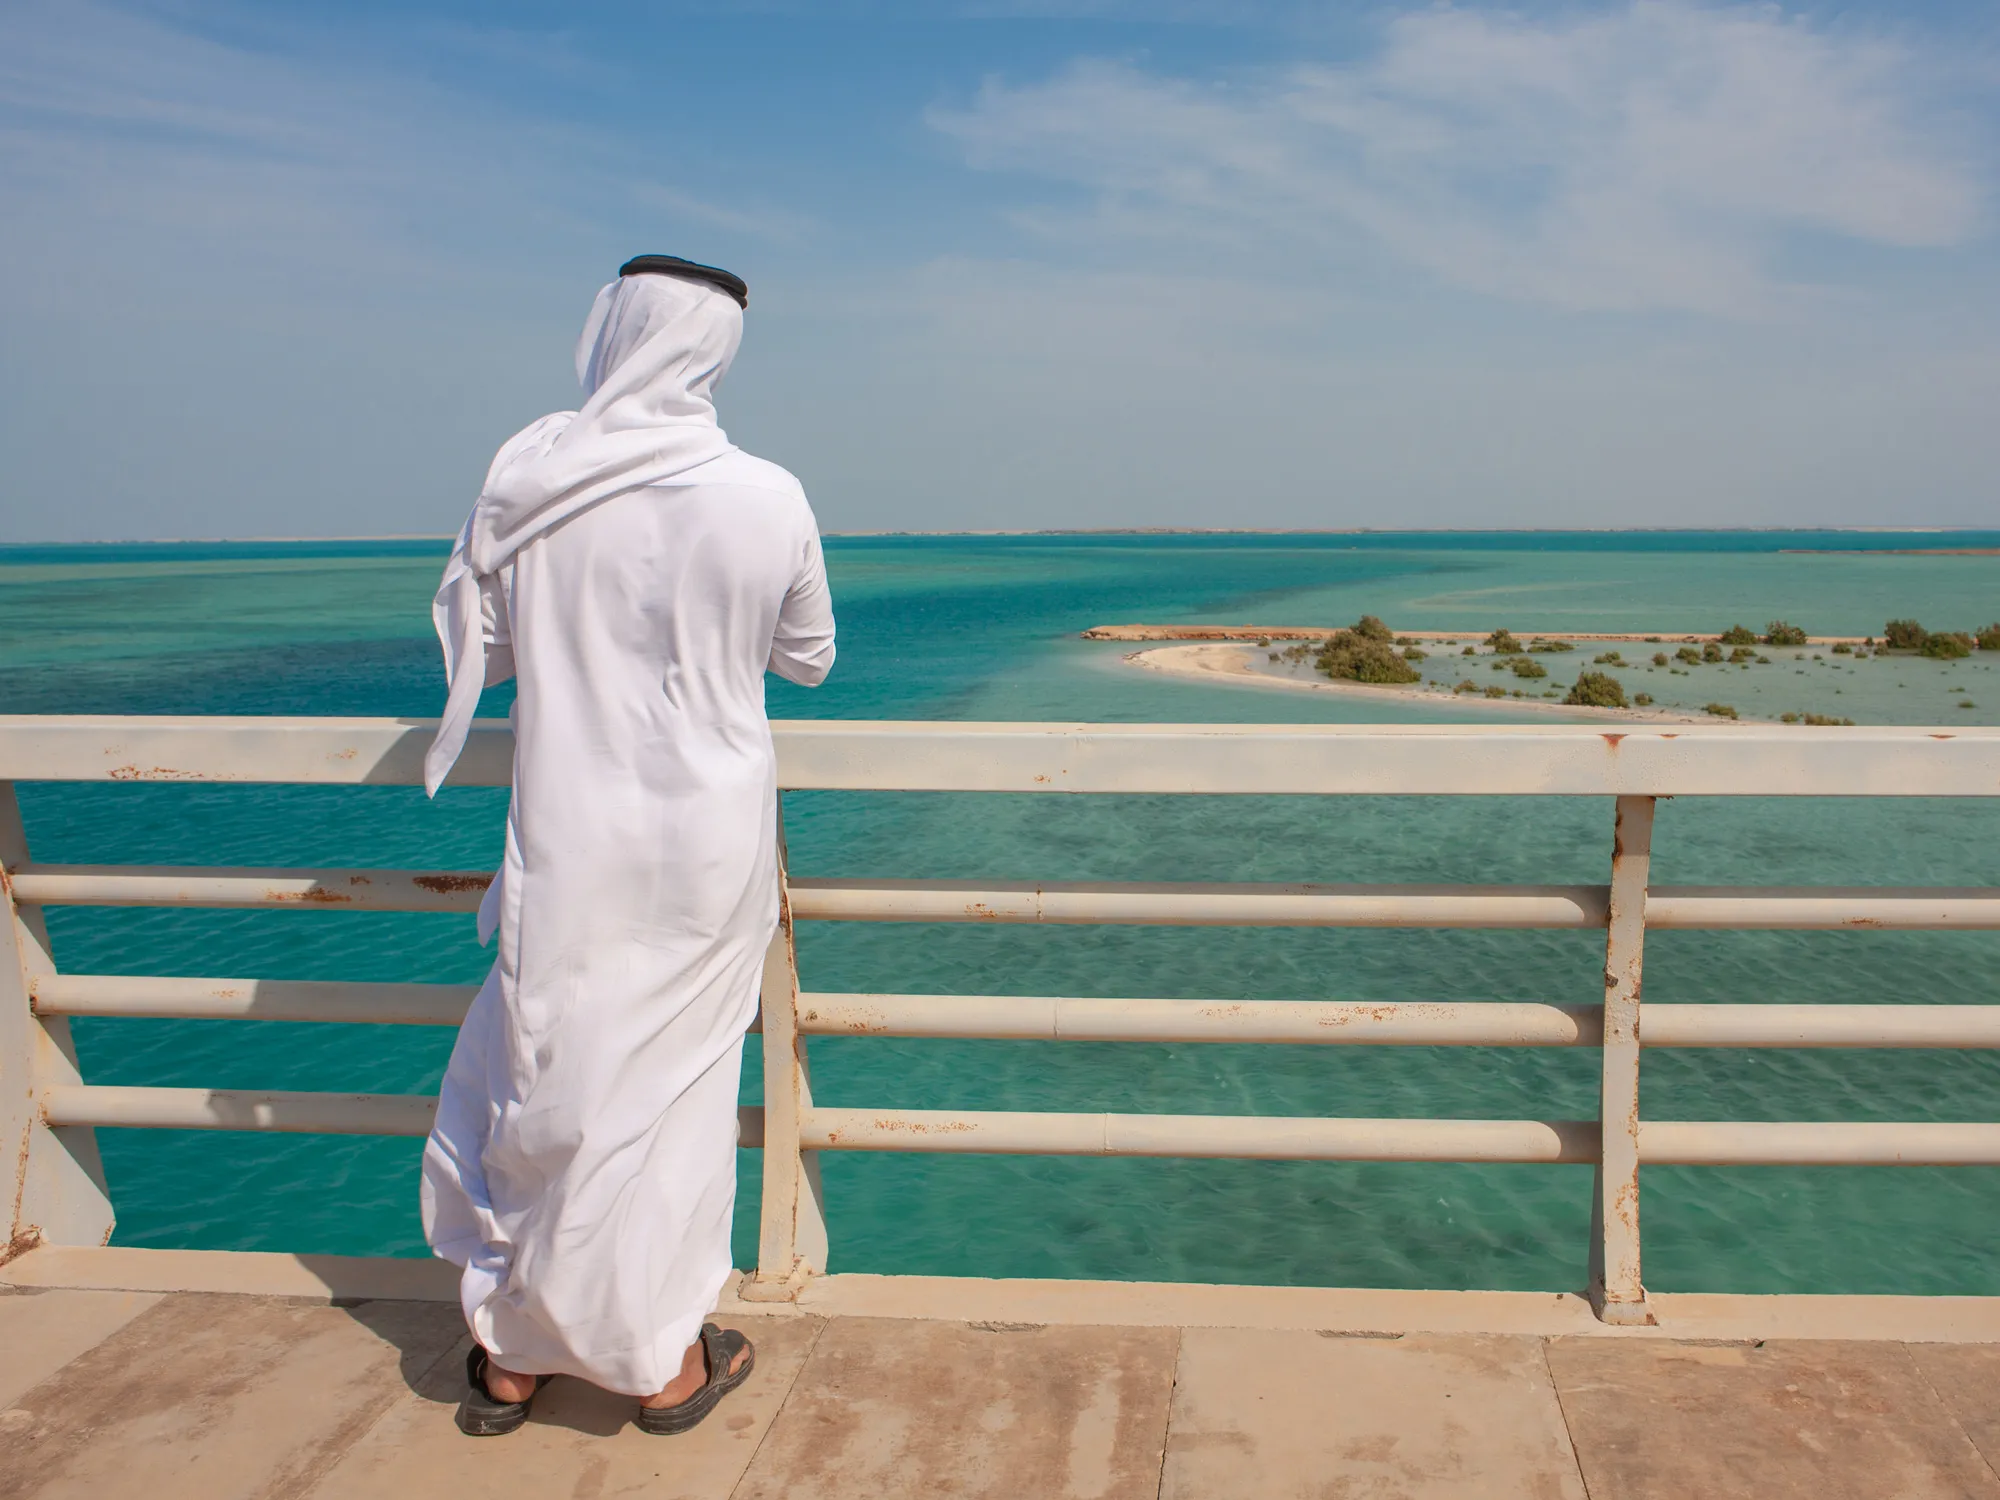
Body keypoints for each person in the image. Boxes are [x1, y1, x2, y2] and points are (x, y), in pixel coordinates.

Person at [417, 255, 836, 1437]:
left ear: (610, 332)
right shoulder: (765, 494)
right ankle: (657, 1366)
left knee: (542, 1073)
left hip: (569, 829)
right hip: (704, 842)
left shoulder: (530, 479)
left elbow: (480, 645)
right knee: (675, 1098)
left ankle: (512, 1354)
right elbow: (808, 654)